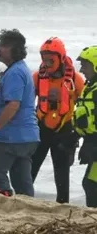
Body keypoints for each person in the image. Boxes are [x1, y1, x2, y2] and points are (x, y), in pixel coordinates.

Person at [0, 29, 39, 196]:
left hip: (12, 137)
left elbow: (13, 105)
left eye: (4, 46)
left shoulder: (15, 72)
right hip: (28, 137)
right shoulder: (21, 69)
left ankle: (5, 203)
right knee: (22, 181)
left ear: (15, 50)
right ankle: (28, 208)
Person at [30, 37, 84, 204]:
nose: (46, 63)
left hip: (64, 131)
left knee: (62, 175)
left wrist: (78, 133)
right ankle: (22, 199)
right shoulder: (37, 77)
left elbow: (87, 107)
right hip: (41, 129)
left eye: (50, 59)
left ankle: (63, 205)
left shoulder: (76, 80)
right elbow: (25, 105)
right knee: (29, 170)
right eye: (44, 59)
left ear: (60, 57)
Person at [73, 45, 97, 207]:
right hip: (91, 142)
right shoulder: (90, 88)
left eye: (85, 65)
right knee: (90, 184)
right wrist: (74, 136)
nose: (81, 70)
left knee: (91, 184)